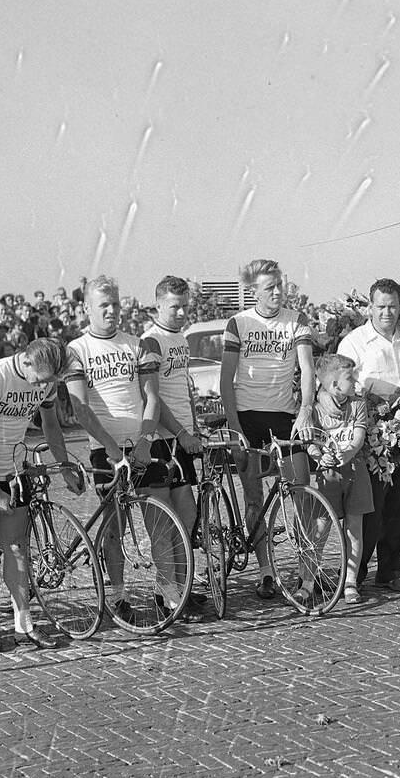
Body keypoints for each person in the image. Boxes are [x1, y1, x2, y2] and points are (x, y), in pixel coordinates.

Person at [66, 275, 196, 626]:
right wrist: (112, 449)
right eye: (103, 305)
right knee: (114, 528)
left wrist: (143, 441)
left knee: (163, 522)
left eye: (116, 304)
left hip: (143, 445)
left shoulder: (137, 345)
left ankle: (169, 594)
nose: (111, 311)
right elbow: (80, 408)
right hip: (106, 451)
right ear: (87, 309)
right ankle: (119, 594)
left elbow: (153, 398)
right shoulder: (76, 351)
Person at [0, 337, 81, 651]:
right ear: (25, 361)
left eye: (52, 380)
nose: (46, 386)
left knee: (17, 547)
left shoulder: (46, 382)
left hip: (12, 466)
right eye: (43, 378)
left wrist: (64, 465)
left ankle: (24, 623)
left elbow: (51, 425)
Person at [220, 259, 316, 601]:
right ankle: (266, 572)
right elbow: (226, 381)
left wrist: (305, 410)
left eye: (279, 285)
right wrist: (234, 430)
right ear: (254, 290)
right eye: (268, 287)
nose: (276, 292)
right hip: (248, 417)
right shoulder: (239, 323)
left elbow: (307, 370)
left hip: (284, 416)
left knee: (301, 492)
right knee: (254, 498)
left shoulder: (296, 320)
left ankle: (307, 573)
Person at [338, 279, 400, 593]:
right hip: (373, 434)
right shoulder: (355, 342)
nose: (387, 312)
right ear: (369, 307)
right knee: (370, 506)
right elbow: (342, 386)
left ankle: (391, 569)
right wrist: (380, 391)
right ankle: (355, 572)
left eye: (392, 306)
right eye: (380, 306)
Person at [139, 276, 210, 618]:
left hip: (182, 438)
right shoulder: (150, 341)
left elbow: (182, 388)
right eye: (174, 307)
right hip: (160, 441)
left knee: (187, 516)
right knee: (163, 524)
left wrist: (194, 427)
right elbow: (153, 398)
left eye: (185, 306)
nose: (181, 312)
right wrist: (181, 432)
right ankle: (167, 594)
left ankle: (183, 588)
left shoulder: (179, 336)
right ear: (158, 306)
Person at [311, 354, 374, 605]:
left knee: (354, 530)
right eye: (351, 377)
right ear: (335, 385)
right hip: (327, 476)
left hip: (354, 471)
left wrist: (346, 453)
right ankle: (308, 579)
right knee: (320, 528)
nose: (356, 380)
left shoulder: (357, 404)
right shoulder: (315, 409)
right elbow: (310, 441)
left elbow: (358, 438)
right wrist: (319, 456)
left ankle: (350, 580)